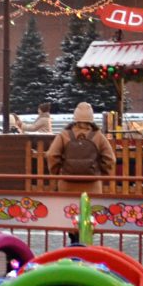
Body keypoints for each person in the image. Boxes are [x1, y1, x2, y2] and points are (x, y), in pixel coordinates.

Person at [50, 101, 116, 246]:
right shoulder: (98, 136)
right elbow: (110, 159)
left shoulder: (64, 135)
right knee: (89, 218)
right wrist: (102, 172)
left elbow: (51, 155)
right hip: (92, 186)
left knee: (70, 217)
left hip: (67, 184)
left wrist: (57, 172)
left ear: (75, 117)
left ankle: (73, 244)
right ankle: (86, 247)